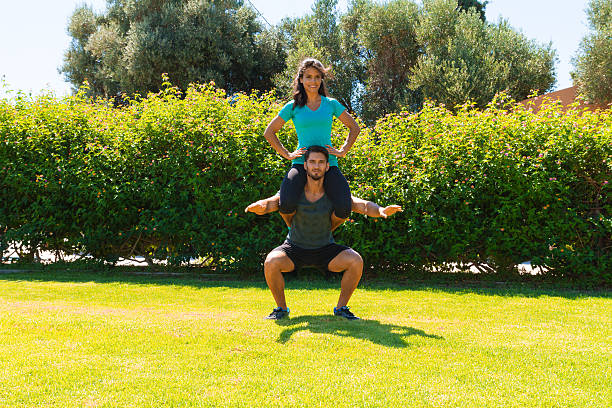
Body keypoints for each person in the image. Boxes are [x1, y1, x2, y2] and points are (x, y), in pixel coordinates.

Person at [245, 146, 402, 320]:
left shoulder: (334, 194)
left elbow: (362, 205)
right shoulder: (293, 192)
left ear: (327, 166)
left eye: (321, 162)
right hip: (294, 248)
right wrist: (260, 206)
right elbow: (272, 203)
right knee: (271, 262)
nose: (316, 166)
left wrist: (380, 210)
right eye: (312, 162)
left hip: (325, 249)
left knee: (355, 260)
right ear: (305, 165)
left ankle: (341, 308)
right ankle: (281, 309)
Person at [263, 58, 360, 230]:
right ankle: (294, 231)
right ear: (301, 79)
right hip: (301, 163)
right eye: (308, 77)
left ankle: (323, 233)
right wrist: (287, 154)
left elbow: (354, 127)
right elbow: (269, 132)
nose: (313, 81)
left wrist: (343, 150)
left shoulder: (331, 104)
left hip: (328, 163)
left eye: (317, 77)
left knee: (344, 208)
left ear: (321, 79)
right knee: (285, 204)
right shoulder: (293, 107)